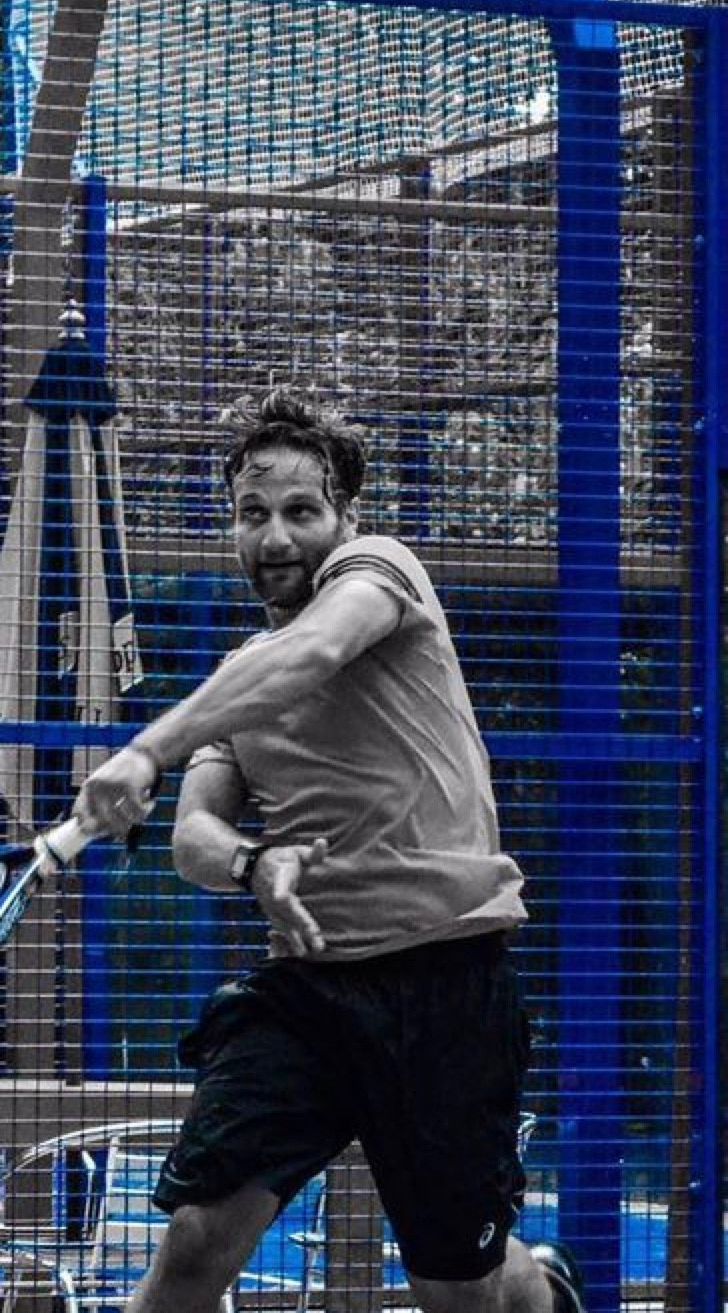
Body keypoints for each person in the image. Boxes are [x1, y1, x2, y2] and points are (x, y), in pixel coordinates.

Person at [74, 385, 582, 1313]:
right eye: (252, 514)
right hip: (309, 993)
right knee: (194, 1241)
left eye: (301, 511)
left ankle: (537, 1286)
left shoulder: (381, 572)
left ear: (345, 517)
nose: (275, 537)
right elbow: (193, 837)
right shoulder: (236, 681)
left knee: (455, 1290)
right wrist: (251, 864)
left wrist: (147, 748)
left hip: (446, 981)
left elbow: (310, 654)